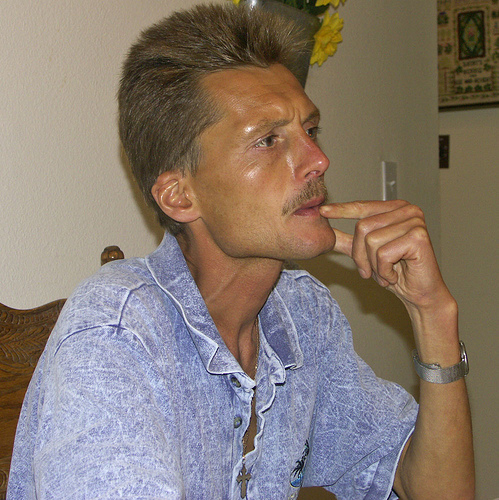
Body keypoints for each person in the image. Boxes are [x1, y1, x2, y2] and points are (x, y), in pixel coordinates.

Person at [8, 3, 474, 499]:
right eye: (268, 140)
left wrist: (433, 316)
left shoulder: (301, 315)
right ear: (179, 196)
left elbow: (433, 490)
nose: (318, 160)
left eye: (310, 130)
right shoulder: (118, 334)